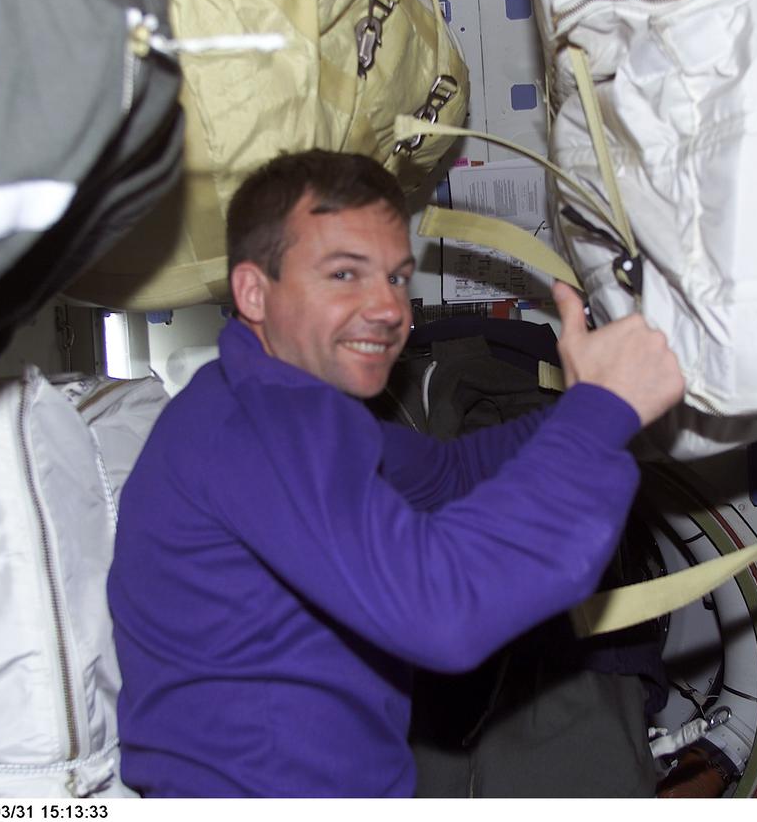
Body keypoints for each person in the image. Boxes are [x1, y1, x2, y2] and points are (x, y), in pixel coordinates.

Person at [106, 149, 685, 797]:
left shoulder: (279, 404)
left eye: (396, 278)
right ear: (253, 291)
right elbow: (441, 611)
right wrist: (600, 416)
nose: (389, 309)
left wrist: (601, 413)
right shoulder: (257, 423)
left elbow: (446, 474)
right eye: (345, 274)